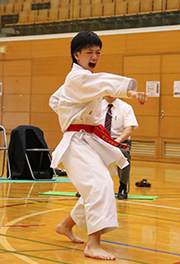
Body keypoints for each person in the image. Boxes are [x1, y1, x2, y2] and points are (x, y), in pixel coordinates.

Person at [49, 30, 147, 260]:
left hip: (88, 140)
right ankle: (93, 244)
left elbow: (55, 99)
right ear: (77, 55)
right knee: (100, 184)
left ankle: (65, 226)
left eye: (98, 52)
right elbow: (101, 83)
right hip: (76, 142)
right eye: (89, 52)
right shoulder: (77, 78)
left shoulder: (81, 80)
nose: (94, 56)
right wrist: (130, 90)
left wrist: (69, 110)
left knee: (93, 187)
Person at [101, 96, 138, 199]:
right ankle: (88, 186)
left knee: (124, 153)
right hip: (100, 140)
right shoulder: (96, 106)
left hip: (119, 140)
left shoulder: (126, 107)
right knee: (88, 152)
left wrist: (117, 140)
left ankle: (122, 186)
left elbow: (129, 129)